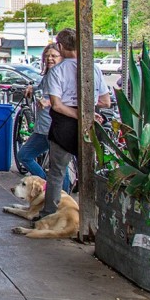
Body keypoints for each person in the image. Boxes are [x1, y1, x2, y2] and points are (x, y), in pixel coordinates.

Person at [39, 29, 111, 220]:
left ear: (60, 47)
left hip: (63, 126)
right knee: (89, 172)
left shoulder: (57, 71)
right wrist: (88, 114)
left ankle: (49, 215)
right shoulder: (93, 68)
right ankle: (92, 216)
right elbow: (106, 101)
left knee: (56, 173)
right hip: (89, 127)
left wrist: (78, 115)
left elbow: (56, 104)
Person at [15, 44, 71, 192]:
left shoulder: (62, 74)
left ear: (62, 57)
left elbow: (66, 98)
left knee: (58, 166)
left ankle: (61, 195)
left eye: (54, 56)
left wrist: (49, 102)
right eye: (47, 56)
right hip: (43, 127)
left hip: (55, 126)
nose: (49, 59)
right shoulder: (49, 74)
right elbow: (42, 91)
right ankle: (46, 185)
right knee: (24, 155)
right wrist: (32, 89)